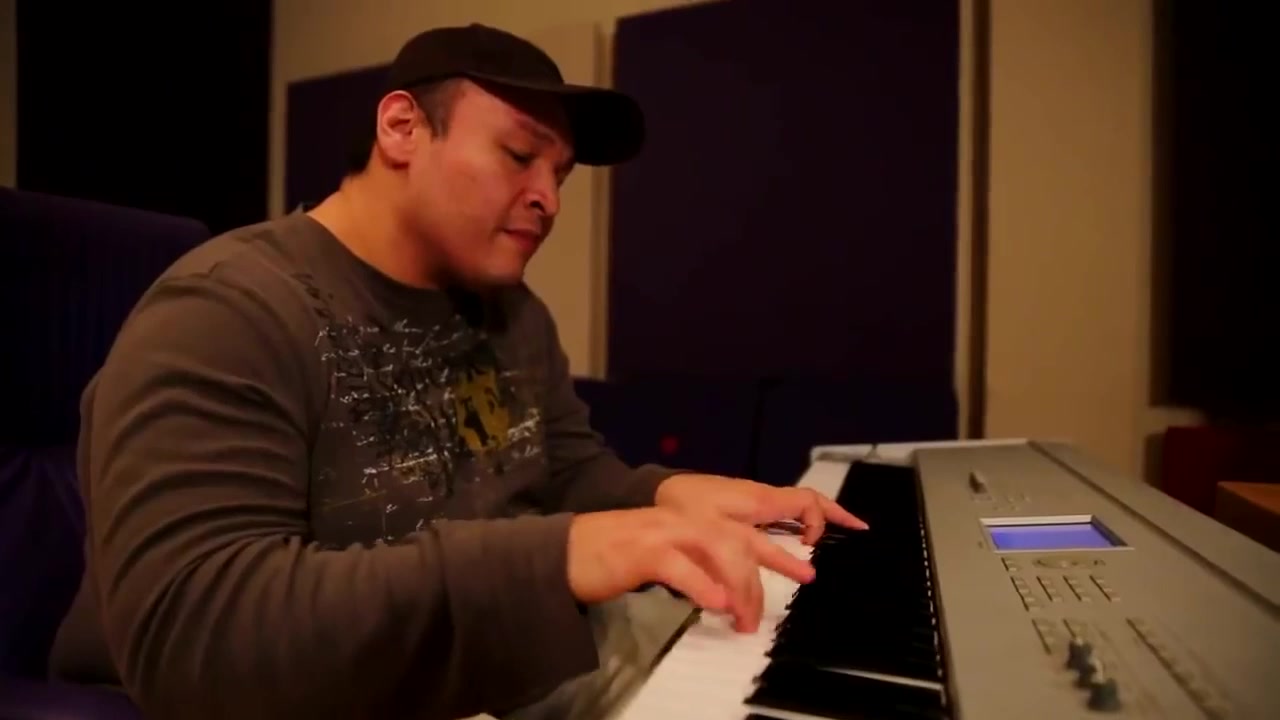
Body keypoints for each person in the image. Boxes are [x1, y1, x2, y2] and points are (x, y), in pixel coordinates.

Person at [48, 23, 866, 720]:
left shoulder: (512, 313)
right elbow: (193, 634)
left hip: (497, 665)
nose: (548, 198)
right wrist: (556, 555)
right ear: (403, 128)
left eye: (560, 175)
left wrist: (663, 494)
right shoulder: (227, 310)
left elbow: (560, 471)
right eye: (519, 155)